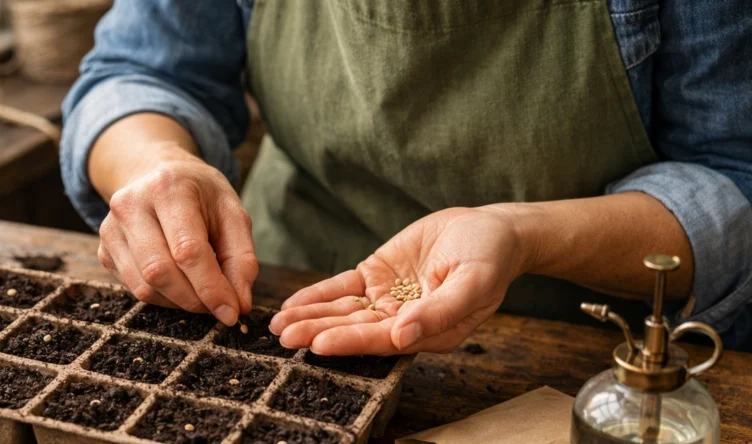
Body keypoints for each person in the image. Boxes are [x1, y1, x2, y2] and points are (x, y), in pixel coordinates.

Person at [60, 0, 752, 354]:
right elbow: (139, 71)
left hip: (577, 348)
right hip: (278, 290)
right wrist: (156, 163)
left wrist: (518, 234)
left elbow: (733, 178)